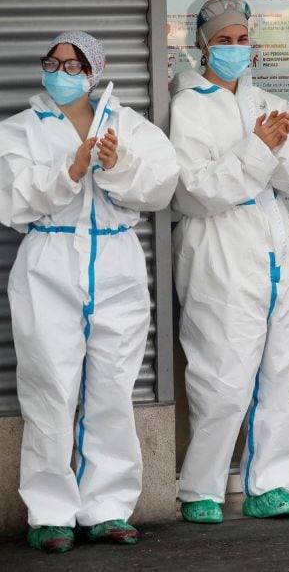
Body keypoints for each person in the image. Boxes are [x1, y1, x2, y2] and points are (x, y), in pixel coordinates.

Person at [0, 32, 178, 553]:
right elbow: (11, 201)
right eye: (52, 62)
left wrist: (117, 164)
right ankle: (50, 512)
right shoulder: (17, 131)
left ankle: (108, 507)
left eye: (73, 64)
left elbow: (161, 187)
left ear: (93, 72)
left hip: (117, 260)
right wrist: (72, 170)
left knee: (112, 389)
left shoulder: (128, 125)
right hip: (48, 262)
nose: (61, 72)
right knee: (49, 389)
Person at [171, 0, 289, 523]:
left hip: (274, 242)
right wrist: (258, 149)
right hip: (220, 246)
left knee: (281, 370)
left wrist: (275, 146)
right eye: (224, 40)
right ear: (203, 46)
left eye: (242, 39)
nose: (235, 49)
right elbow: (194, 190)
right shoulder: (188, 106)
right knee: (222, 374)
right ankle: (202, 488)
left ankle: (270, 483)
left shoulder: (263, 101)